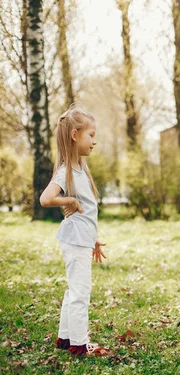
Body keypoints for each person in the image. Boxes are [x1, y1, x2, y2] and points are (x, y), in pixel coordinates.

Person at [40, 107, 109, 357]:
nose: (94, 140)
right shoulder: (64, 171)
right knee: (81, 292)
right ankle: (79, 345)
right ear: (74, 135)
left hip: (81, 239)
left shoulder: (80, 170)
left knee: (74, 290)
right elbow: (46, 199)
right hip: (74, 240)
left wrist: (94, 239)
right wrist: (68, 201)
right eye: (90, 135)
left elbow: (87, 212)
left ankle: (65, 337)